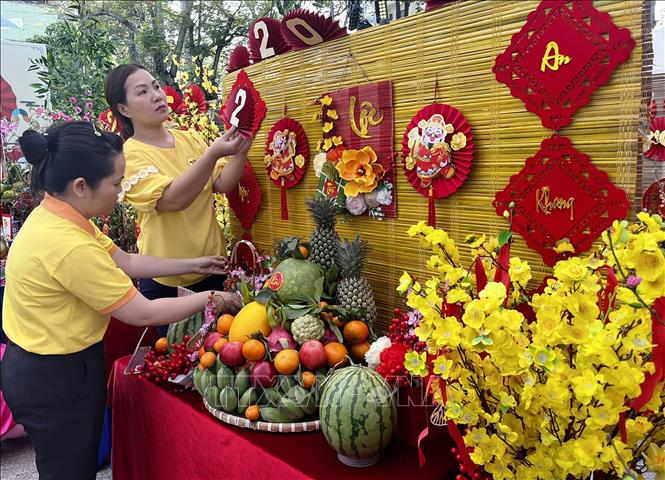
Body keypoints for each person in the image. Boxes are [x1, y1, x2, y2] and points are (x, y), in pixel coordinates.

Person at [1, 122, 242, 480]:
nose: (120, 192)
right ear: (81, 186)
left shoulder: (60, 214)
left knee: (67, 464)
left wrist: (195, 263)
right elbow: (140, 311)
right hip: (54, 376)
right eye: (116, 183)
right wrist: (213, 296)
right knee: (69, 471)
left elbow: (127, 261)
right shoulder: (67, 244)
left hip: (53, 366)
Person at [104, 64, 252, 335]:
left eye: (156, 86)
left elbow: (221, 183)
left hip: (213, 269)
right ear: (123, 109)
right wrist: (212, 155)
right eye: (142, 92)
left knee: (220, 359)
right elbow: (172, 200)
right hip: (166, 282)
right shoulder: (131, 156)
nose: (157, 95)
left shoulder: (189, 139)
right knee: (180, 364)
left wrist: (241, 149)